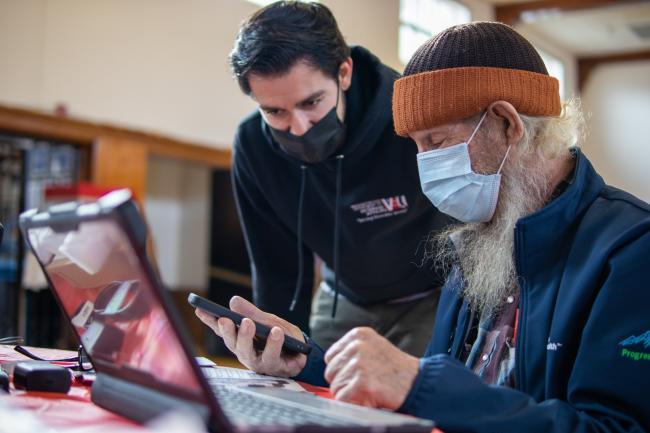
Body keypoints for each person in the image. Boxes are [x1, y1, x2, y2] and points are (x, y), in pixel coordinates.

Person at [197, 21, 650, 432]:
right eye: (415, 146)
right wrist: (305, 364)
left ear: (506, 123)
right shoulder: (474, 247)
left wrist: (420, 383)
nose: (424, 166)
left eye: (436, 142)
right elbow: (433, 385)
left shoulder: (629, 252)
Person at [216, 0, 450, 354]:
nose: (298, 128)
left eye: (312, 103)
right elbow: (275, 266)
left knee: (414, 399)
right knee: (305, 384)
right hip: (344, 298)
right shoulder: (253, 146)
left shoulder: (412, 118)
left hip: (431, 297)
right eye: (275, 111)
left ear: (344, 73)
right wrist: (275, 352)